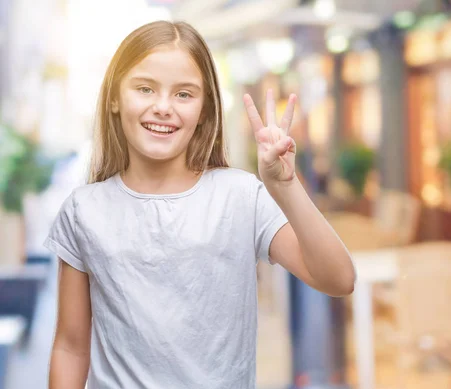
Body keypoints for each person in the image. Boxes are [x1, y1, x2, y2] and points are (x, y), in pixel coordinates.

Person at [43, 20, 355, 389]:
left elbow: (338, 279)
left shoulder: (239, 196)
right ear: (114, 97)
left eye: (184, 94)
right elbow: (71, 346)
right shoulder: (84, 210)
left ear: (205, 109)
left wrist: (285, 186)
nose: (163, 107)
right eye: (145, 88)